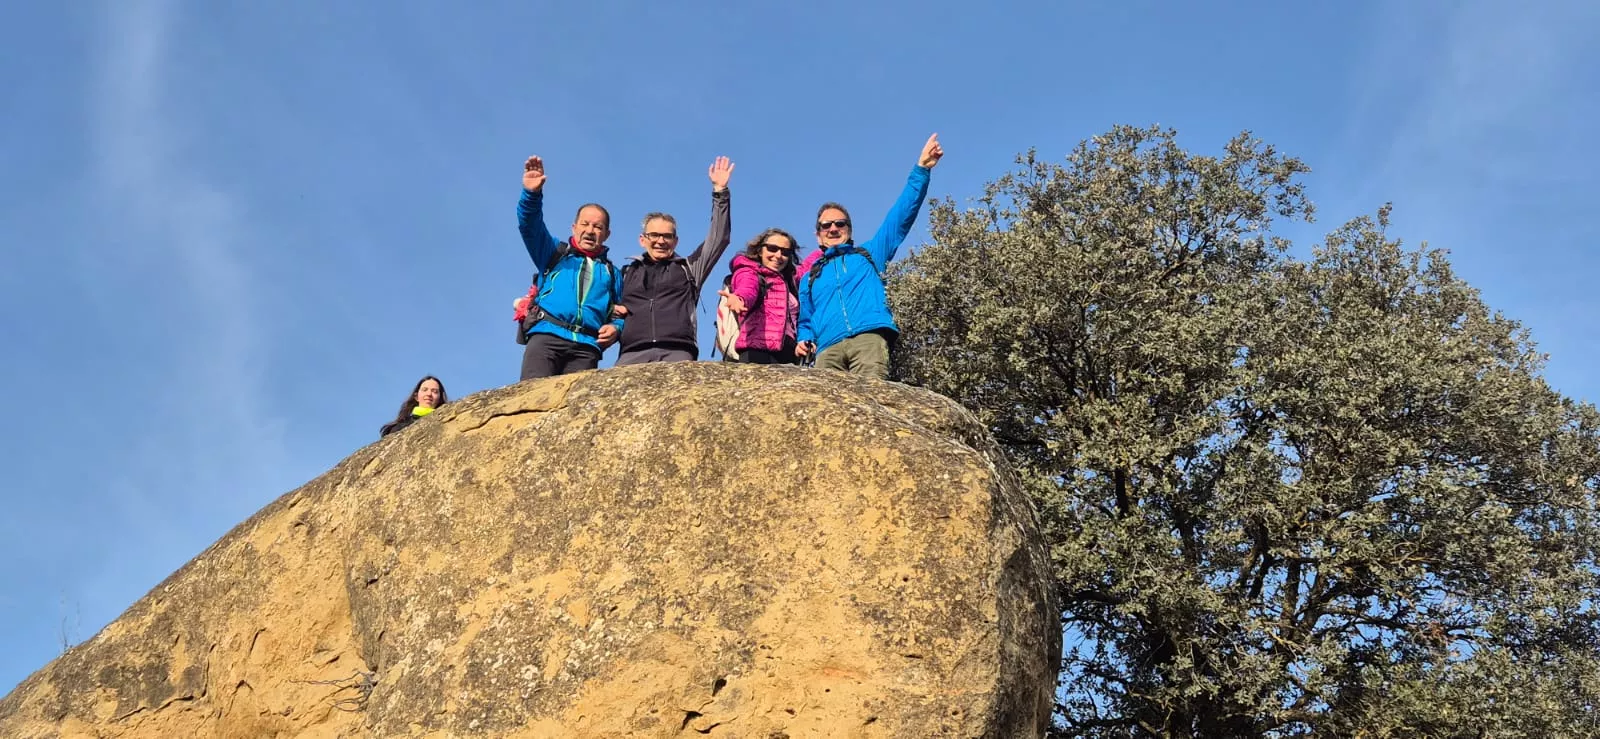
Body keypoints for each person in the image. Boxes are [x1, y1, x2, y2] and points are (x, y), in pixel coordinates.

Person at [796, 133, 944, 379]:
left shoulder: (868, 253)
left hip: (868, 338)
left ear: (849, 229)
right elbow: (805, 320)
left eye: (840, 223)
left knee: (872, 403)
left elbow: (900, 218)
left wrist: (921, 170)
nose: (833, 229)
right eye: (826, 225)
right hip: (827, 349)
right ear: (818, 235)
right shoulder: (809, 278)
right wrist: (804, 339)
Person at [613, 157, 735, 365]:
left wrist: (720, 193)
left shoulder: (689, 268)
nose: (661, 241)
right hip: (632, 352)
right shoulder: (625, 273)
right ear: (642, 240)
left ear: (675, 240)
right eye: (654, 235)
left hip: (678, 351)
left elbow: (718, 239)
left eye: (667, 236)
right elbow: (602, 303)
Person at [514, 154, 625, 380]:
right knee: (531, 402)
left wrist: (617, 328)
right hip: (546, 336)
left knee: (576, 413)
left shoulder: (612, 273)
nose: (590, 230)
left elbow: (620, 311)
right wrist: (531, 194)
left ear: (607, 234)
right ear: (574, 227)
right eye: (585, 224)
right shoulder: (554, 252)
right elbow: (529, 226)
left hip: (586, 348)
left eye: (597, 226)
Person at [721, 228, 801, 364]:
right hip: (757, 351)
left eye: (785, 252)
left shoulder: (790, 280)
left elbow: (808, 267)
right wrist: (740, 299)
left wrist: (826, 246)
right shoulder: (749, 272)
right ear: (760, 250)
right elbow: (748, 288)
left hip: (788, 352)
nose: (778, 255)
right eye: (772, 248)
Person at [381, 375, 447, 437]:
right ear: (416, 396)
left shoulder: (447, 422)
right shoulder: (398, 428)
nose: (429, 394)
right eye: (424, 390)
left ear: (440, 398)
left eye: (434, 391)